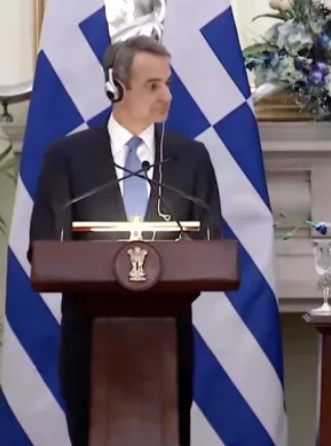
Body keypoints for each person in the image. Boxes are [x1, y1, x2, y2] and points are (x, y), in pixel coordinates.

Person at [27, 35, 222, 446]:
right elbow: (44, 247)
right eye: (153, 85)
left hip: (168, 343)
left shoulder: (191, 158)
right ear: (116, 87)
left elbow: (210, 244)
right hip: (88, 341)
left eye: (167, 83)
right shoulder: (66, 157)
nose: (167, 96)